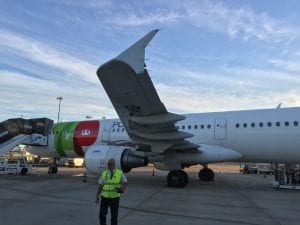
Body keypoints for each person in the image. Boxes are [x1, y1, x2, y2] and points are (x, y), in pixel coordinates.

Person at [95, 159, 127, 225]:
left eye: (110, 164)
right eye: (108, 164)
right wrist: (97, 196)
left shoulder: (119, 173)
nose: (109, 166)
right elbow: (100, 185)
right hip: (105, 197)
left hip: (115, 198)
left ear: (114, 165)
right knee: (102, 214)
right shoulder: (104, 173)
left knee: (114, 216)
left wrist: (123, 188)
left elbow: (125, 182)